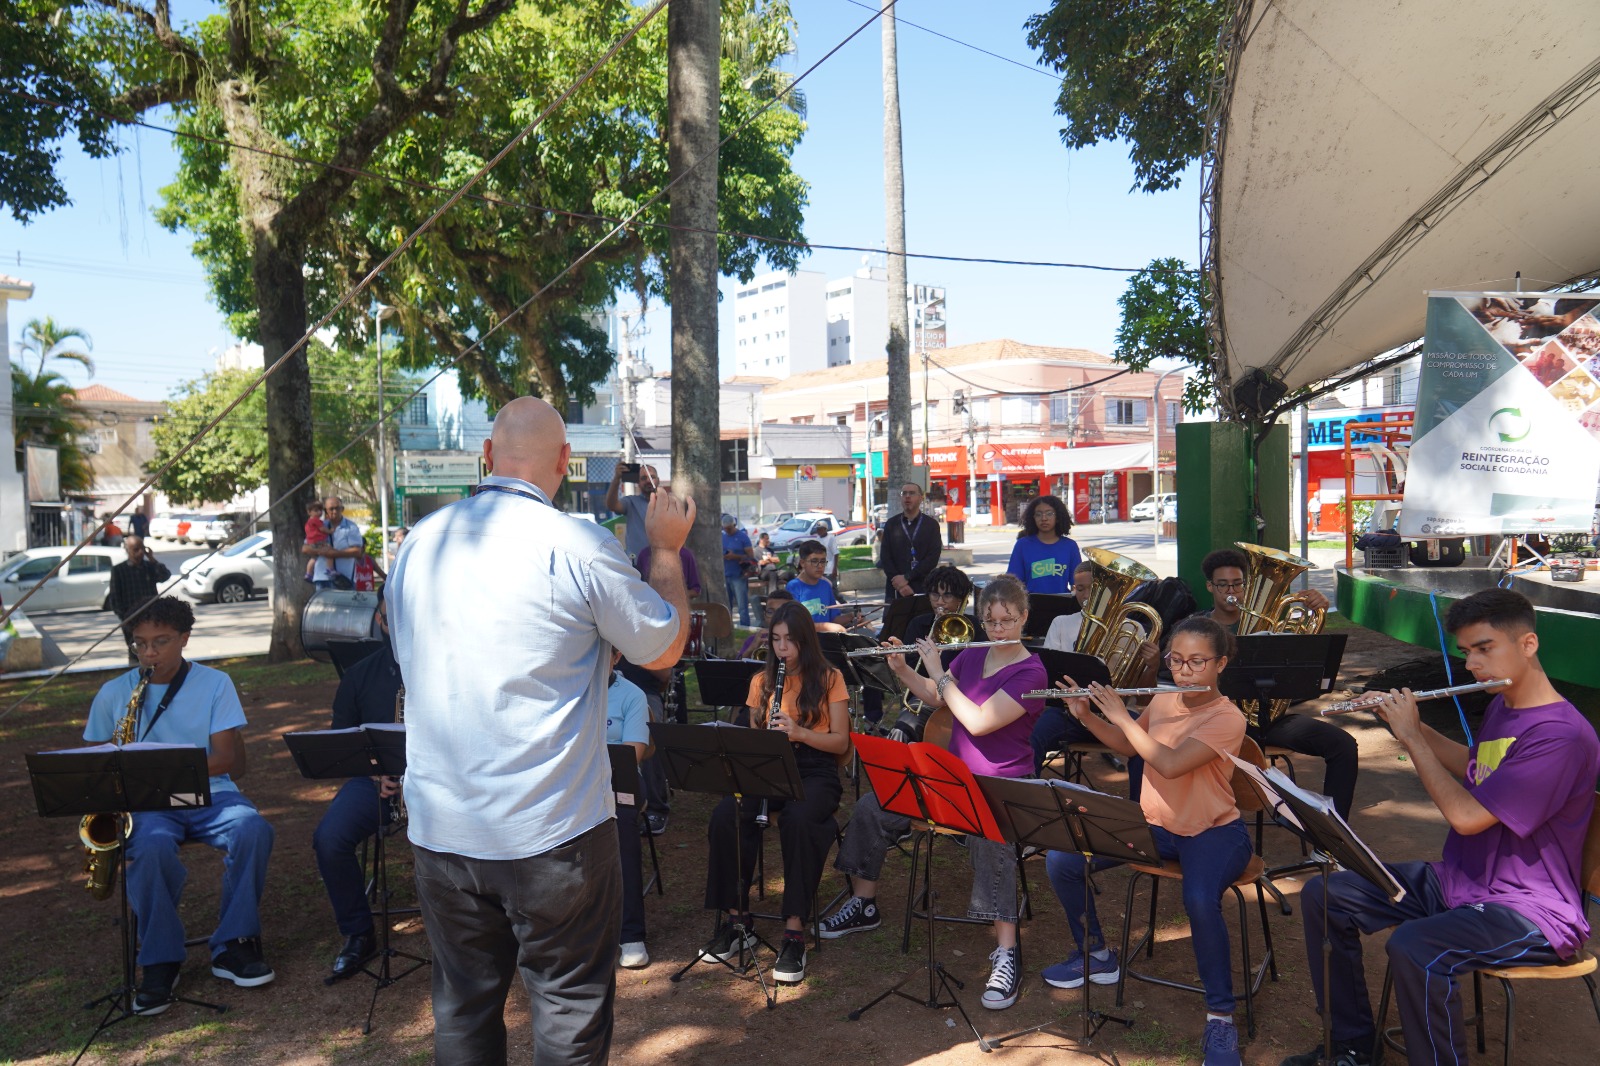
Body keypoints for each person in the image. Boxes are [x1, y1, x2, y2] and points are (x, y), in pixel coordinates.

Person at [387, 396, 692, 1065]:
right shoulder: (577, 543)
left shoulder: (418, 544)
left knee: (463, 1013)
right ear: (564, 461)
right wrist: (666, 550)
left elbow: (415, 662)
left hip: (444, 829)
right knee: (568, 1011)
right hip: (552, 835)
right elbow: (664, 649)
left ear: (487, 456)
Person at [1280, 588, 1600, 1066]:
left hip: (1532, 908)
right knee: (1327, 896)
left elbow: (1468, 818)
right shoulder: (1505, 704)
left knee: (1416, 947)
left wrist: (1412, 738)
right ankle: (1352, 1047)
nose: (1472, 664)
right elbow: (1477, 767)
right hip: (1464, 881)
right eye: (1467, 652)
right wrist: (1400, 723)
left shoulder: (1560, 736)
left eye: (1484, 648)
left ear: (1528, 644)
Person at [819, 575, 1046, 1011]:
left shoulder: (1031, 671)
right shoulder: (973, 656)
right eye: (991, 621)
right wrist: (904, 669)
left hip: (1002, 785)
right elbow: (936, 698)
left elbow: (978, 721)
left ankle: (1007, 950)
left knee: (992, 840)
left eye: (1007, 621)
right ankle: (864, 903)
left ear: (1024, 617)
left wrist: (940, 672)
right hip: (951, 779)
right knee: (873, 805)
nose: (998, 630)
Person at [1044, 616, 1252, 1066]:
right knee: (1063, 860)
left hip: (1213, 831)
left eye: (1197, 662)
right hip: (1156, 826)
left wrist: (1120, 712)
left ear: (1221, 664)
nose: (1184, 671)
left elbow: (1171, 764)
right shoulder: (1164, 698)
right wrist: (1088, 716)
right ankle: (1096, 953)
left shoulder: (1227, 717)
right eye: (1176, 660)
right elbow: (1127, 746)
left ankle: (1220, 1018)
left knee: (1200, 900)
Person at [81, 596, 275, 1015]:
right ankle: (160, 959)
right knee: (150, 848)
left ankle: (234, 943)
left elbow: (225, 759)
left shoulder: (215, 683)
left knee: (253, 829)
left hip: (211, 792)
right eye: (140, 643)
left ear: (185, 638)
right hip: (146, 805)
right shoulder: (114, 692)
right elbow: (93, 764)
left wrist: (159, 774)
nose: (149, 652)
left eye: (161, 642)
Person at [700, 602, 849, 985]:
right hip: (768, 766)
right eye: (777, 640)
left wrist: (799, 732)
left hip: (815, 768)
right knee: (727, 815)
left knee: (799, 820)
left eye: (790, 641)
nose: (782, 648)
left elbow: (840, 743)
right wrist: (759, 736)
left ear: (806, 641)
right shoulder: (761, 681)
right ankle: (738, 921)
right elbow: (752, 738)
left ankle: (794, 931)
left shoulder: (829, 677)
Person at [1195, 548, 1354, 819]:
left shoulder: (1272, 625)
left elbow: (1304, 667)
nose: (1231, 591)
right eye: (1223, 585)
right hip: (1218, 722)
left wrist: (1319, 613)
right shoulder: (1197, 628)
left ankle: (1335, 831)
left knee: (1343, 744)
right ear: (1210, 586)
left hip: (1268, 719)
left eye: (1238, 584)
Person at [312, 590, 402, 981]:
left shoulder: (453, 666)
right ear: (380, 622)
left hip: (443, 783)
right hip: (377, 783)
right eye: (390, 617)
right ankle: (358, 932)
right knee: (329, 839)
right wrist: (373, 772)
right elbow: (344, 742)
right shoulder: (359, 674)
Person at [605, 653, 653, 970]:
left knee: (622, 824)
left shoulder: (632, 694)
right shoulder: (567, 688)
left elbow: (633, 753)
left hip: (619, 782)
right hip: (573, 785)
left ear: (616, 656)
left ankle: (631, 933)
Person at [108, 535, 172, 663]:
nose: (141, 552)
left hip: (152, 618)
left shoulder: (149, 567)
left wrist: (152, 559)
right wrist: (125, 618)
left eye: (142, 548)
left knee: (155, 652)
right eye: (136, 549)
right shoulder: (119, 570)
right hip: (131, 620)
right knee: (136, 654)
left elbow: (165, 576)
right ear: (128, 550)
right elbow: (115, 598)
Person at [877, 482, 942, 602]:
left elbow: (932, 558)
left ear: (920, 498)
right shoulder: (891, 524)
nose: (907, 496)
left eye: (912, 493)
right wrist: (900, 585)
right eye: (904, 493)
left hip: (922, 588)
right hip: (895, 590)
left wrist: (907, 577)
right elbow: (885, 557)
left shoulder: (931, 525)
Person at [1007, 495, 1082, 595]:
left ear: (1058, 517)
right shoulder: (1022, 545)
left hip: (1063, 603)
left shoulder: (1070, 546)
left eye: (1049, 514)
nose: (1044, 518)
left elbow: (1078, 584)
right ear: (1033, 518)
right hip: (1030, 604)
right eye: (1038, 514)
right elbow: (1013, 583)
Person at [604, 462, 660, 565]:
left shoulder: (668, 503)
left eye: (652, 477)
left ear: (658, 480)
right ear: (638, 483)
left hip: (663, 563)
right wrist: (617, 479)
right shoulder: (631, 502)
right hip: (637, 564)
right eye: (643, 478)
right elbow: (612, 505)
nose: (648, 480)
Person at [306, 497, 363, 591]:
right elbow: (305, 548)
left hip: (344, 579)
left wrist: (333, 553)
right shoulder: (319, 525)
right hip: (322, 578)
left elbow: (357, 551)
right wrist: (320, 551)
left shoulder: (351, 527)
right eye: (331, 509)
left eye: (337, 508)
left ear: (342, 509)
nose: (335, 511)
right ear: (325, 511)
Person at [786, 539, 843, 624]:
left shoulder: (826, 585)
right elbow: (795, 624)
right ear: (802, 563)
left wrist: (852, 617)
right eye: (814, 561)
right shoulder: (794, 587)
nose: (820, 566)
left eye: (823, 561)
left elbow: (834, 619)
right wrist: (825, 626)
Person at [737, 589, 794, 659]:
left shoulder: (798, 641)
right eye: (770, 612)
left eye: (782, 612)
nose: (775, 617)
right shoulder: (753, 640)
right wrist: (752, 648)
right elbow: (737, 664)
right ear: (765, 615)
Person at [721, 513, 755, 627]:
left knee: (742, 606)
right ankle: (728, 628)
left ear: (734, 525)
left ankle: (745, 627)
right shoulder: (722, 537)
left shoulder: (743, 537)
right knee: (727, 605)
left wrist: (735, 556)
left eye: (729, 528)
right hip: (726, 574)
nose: (727, 531)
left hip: (739, 575)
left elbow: (751, 557)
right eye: (725, 529)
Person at [635, 544, 701, 599]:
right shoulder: (644, 555)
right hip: (651, 607)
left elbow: (695, 590)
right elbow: (637, 588)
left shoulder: (685, 555)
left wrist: (677, 596)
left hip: (678, 608)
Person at [302, 500, 328, 581]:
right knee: (330, 553)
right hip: (319, 541)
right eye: (316, 510)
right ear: (309, 512)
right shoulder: (316, 521)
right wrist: (330, 531)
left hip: (311, 542)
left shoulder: (308, 522)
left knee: (313, 558)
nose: (319, 512)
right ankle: (330, 569)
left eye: (321, 510)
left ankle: (308, 573)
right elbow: (323, 529)